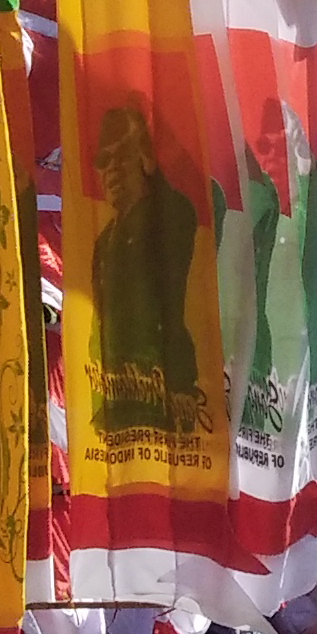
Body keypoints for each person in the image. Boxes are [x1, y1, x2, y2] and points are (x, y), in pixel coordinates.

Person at [90, 105, 199, 430]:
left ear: (146, 159)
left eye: (122, 155)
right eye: (102, 161)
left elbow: (179, 210)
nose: (111, 170)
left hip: (165, 398)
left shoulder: (170, 217)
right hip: (115, 400)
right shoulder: (102, 242)